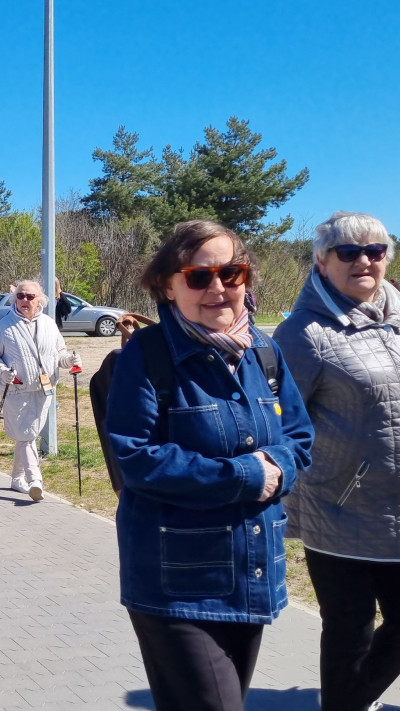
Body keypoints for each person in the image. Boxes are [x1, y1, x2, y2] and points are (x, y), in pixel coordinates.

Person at [106, 220, 314, 711]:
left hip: (250, 573)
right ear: (168, 284)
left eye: (232, 273)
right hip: (176, 583)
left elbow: (300, 436)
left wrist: (277, 465)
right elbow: (135, 456)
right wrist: (247, 475)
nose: (218, 288)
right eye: (200, 277)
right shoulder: (147, 356)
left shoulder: (263, 350)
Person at [273, 211, 400, 711]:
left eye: (376, 250)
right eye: (348, 252)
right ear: (322, 262)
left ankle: (350, 702)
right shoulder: (302, 334)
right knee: (350, 632)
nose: (364, 261)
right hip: (340, 507)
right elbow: (281, 423)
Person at [0, 279, 81, 501]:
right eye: (20, 296)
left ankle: (17, 478)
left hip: (44, 389)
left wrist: (72, 360)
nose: (24, 300)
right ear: (14, 299)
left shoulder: (48, 324)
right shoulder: (4, 326)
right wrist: (3, 371)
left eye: (30, 297)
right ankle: (35, 480)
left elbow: (60, 354)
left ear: (40, 301)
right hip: (16, 389)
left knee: (27, 434)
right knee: (26, 435)